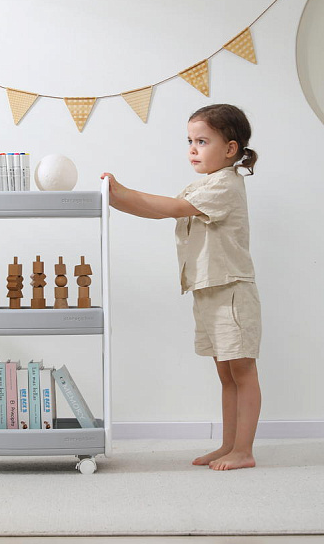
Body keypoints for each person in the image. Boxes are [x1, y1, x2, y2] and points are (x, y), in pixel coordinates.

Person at [101, 103, 262, 471]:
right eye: (190, 141)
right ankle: (229, 445)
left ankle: (244, 450)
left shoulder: (225, 184)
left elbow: (170, 208)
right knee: (226, 375)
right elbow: (159, 210)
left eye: (202, 141)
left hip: (231, 290)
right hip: (209, 290)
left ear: (230, 149)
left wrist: (122, 190)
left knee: (242, 371)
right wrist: (115, 199)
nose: (192, 149)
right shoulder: (203, 185)